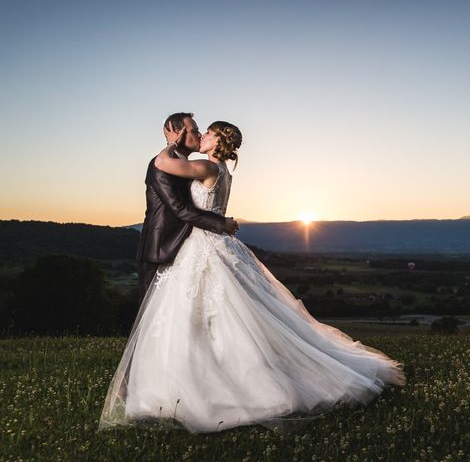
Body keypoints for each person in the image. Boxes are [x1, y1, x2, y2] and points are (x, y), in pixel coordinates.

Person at [98, 119, 406, 434]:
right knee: (219, 315)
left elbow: (162, 164)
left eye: (208, 133)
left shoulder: (207, 167)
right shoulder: (223, 171)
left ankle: (218, 386)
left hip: (203, 245)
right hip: (212, 243)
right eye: (199, 132)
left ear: (218, 141)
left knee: (207, 315)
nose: (202, 135)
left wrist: (171, 140)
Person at [135, 112, 239, 305]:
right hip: (160, 248)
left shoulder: (192, 165)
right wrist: (220, 223)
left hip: (187, 246)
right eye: (195, 130)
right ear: (178, 132)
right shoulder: (161, 166)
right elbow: (179, 208)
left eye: (203, 132)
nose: (200, 135)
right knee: (152, 313)